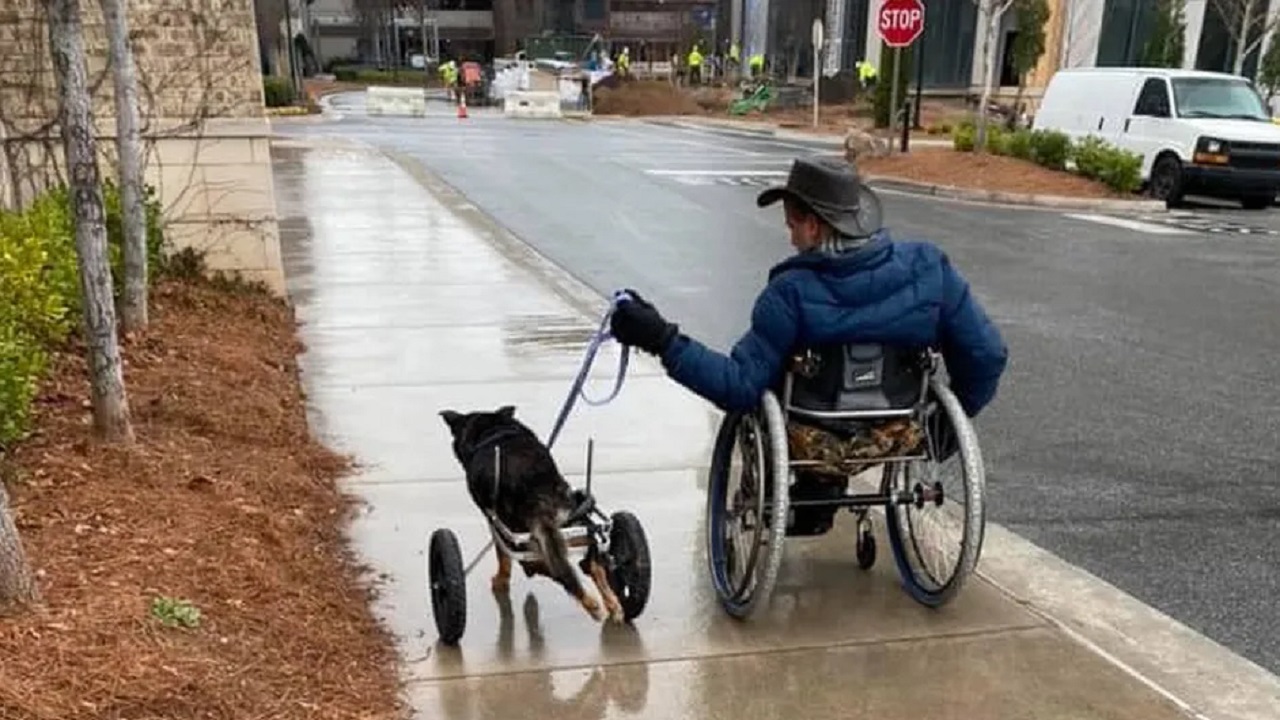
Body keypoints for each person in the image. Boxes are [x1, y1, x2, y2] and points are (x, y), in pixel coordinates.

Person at [607, 157, 1009, 534]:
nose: (790, 235)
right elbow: (987, 354)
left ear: (814, 227)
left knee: (775, 397)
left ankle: (816, 498)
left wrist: (661, 339)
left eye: (792, 224)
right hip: (901, 431)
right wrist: (941, 433)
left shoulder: (789, 293)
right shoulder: (930, 267)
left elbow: (739, 387)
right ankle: (824, 494)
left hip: (816, 440)